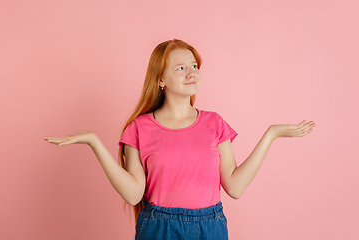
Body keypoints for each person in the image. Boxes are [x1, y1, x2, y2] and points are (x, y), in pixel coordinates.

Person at [44, 39, 315, 240]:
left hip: (210, 227)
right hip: (158, 227)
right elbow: (133, 193)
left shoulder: (214, 123)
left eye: (194, 66)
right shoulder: (139, 128)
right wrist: (94, 142)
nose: (192, 73)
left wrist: (271, 135)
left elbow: (234, 186)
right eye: (181, 68)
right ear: (160, 79)